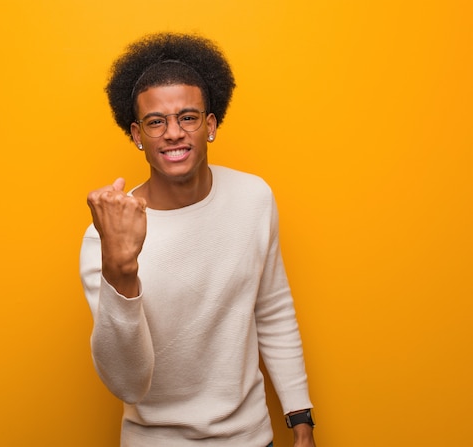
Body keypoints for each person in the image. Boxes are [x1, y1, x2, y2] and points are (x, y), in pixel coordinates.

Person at [80, 32, 317, 447]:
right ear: (137, 135)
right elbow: (128, 383)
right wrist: (120, 269)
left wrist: (301, 418)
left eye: (187, 117)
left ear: (210, 124)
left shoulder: (253, 198)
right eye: (156, 121)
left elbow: (273, 308)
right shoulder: (106, 233)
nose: (173, 132)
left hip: (252, 438)